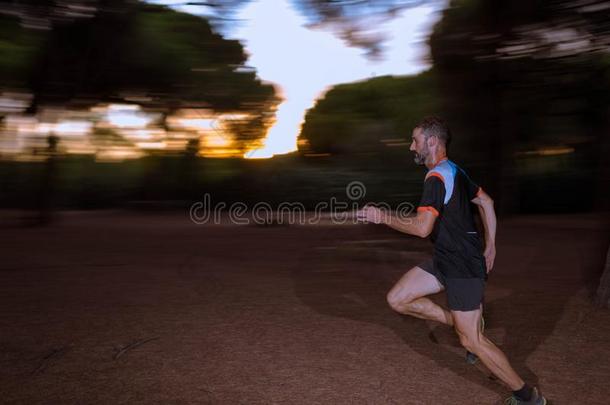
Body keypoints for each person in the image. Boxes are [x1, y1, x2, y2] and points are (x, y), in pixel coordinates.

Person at [358, 117, 546, 405]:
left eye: (415, 140)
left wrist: (382, 217)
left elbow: (423, 228)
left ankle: (527, 396)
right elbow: (487, 203)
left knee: (471, 341)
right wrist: (491, 244)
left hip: (463, 267)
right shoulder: (454, 170)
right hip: (446, 259)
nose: (411, 147)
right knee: (398, 299)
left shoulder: (437, 177)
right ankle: (459, 322)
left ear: (432, 141)